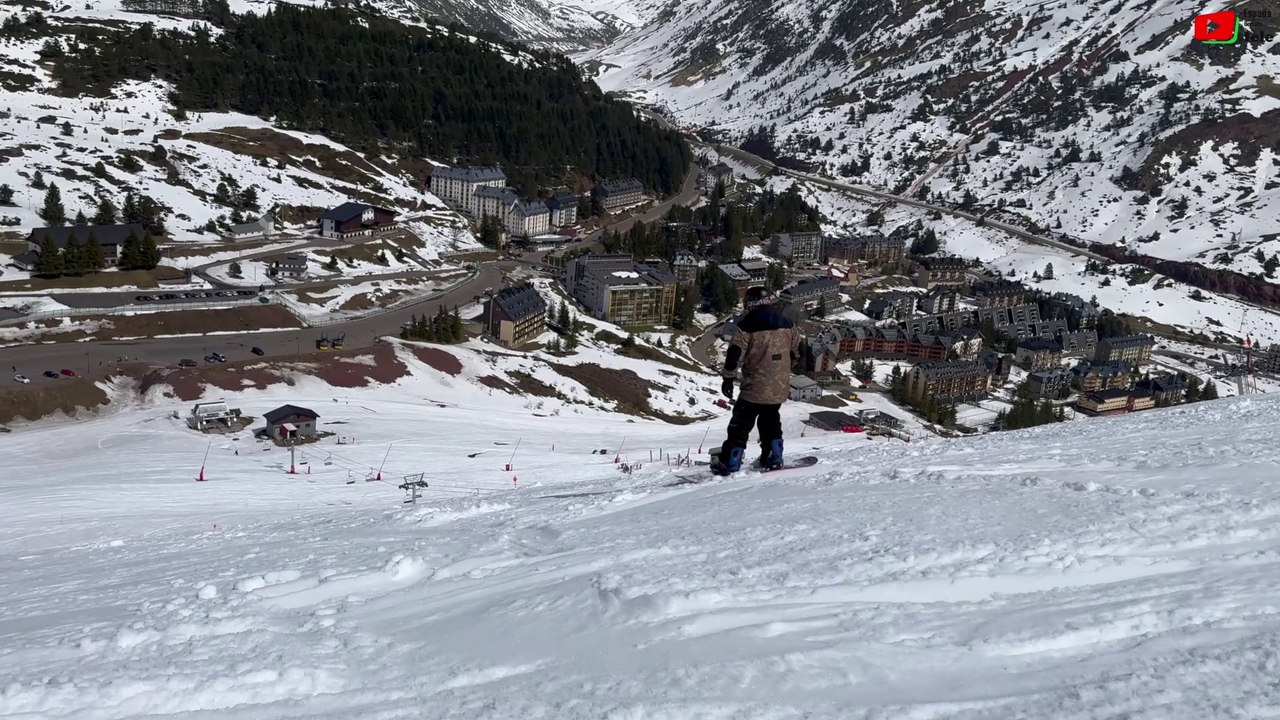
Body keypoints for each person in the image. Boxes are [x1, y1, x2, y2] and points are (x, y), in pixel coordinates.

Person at [712, 286, 807, 475]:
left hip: (754, 386)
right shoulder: (787, 323)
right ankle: (773, 456)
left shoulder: (747, 325)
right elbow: (800, 350)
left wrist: (728, 378)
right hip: (778, 386)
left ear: (751, 303)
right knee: (771, 421)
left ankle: (731, 461)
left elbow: (734, 355)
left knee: (740, 424)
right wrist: (785, 367)